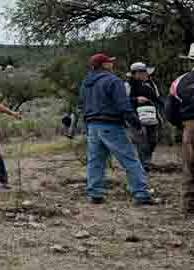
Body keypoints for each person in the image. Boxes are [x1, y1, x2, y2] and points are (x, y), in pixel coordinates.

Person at [77, 53, 154, 205]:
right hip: (111, 124)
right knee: (130, 159)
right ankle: (141, 194)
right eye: (109, 62)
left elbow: (81, 105)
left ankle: (95, 193)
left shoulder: (86, 82)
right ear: (104, 65)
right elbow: (123, 105)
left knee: (95, 161)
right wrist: (136, 124)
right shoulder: (113, 80)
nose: (112, 64)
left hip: (92, 126)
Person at [168, 44, 194, 213]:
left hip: (190, 128)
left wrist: (183, 126)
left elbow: (170, 112)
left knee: (190, 168)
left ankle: (189, 206)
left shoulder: (179, 82)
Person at [125, 62, 163, 171]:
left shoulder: (151, 84)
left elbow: (157, 98)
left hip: (152, 116)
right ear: (136, 73)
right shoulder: (128, 85)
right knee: (141, 141)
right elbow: (123, 101)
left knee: (153, 140)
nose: (146, 74)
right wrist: (136, 100)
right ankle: (144, 165)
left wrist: (160, 110)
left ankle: (146, 160)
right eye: (144, 72)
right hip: (135, 117)